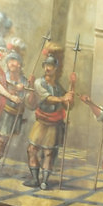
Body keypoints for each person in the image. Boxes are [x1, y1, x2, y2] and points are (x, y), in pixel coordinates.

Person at [26, 47, 75, 189]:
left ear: (55, 69)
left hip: (54, 123)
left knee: (48, 153)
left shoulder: (58, 87)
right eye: (46, 65)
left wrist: (72, 86)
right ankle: (35, 179)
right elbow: (46, 98)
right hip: (41, 122)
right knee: (32, 149)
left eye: (51, 66)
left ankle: (44, 181)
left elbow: (68, 106)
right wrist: (62, 98)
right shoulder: (39, 83)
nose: (48, 68)